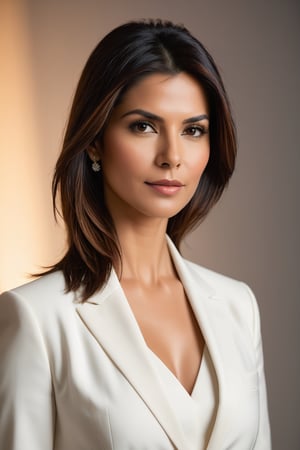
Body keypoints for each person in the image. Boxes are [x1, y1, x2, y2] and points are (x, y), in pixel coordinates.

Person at [0, 19, 271, 450]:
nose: (172, 157)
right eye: (144, 126)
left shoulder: (239, 307)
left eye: (193, 130)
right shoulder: (37, 319)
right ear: (94, 141)